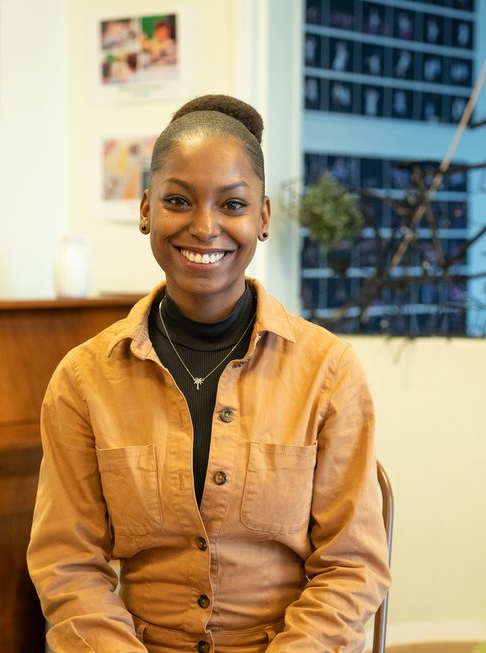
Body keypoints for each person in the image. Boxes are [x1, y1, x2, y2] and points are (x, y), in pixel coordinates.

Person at [27, 95, 390, 653]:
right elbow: (67, 562)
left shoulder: (329, 372)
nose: (204, 227)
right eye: (178, 200)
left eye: (232, 204)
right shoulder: (83, 380)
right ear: (145, 208)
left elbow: (352, 567)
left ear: (262, 217)